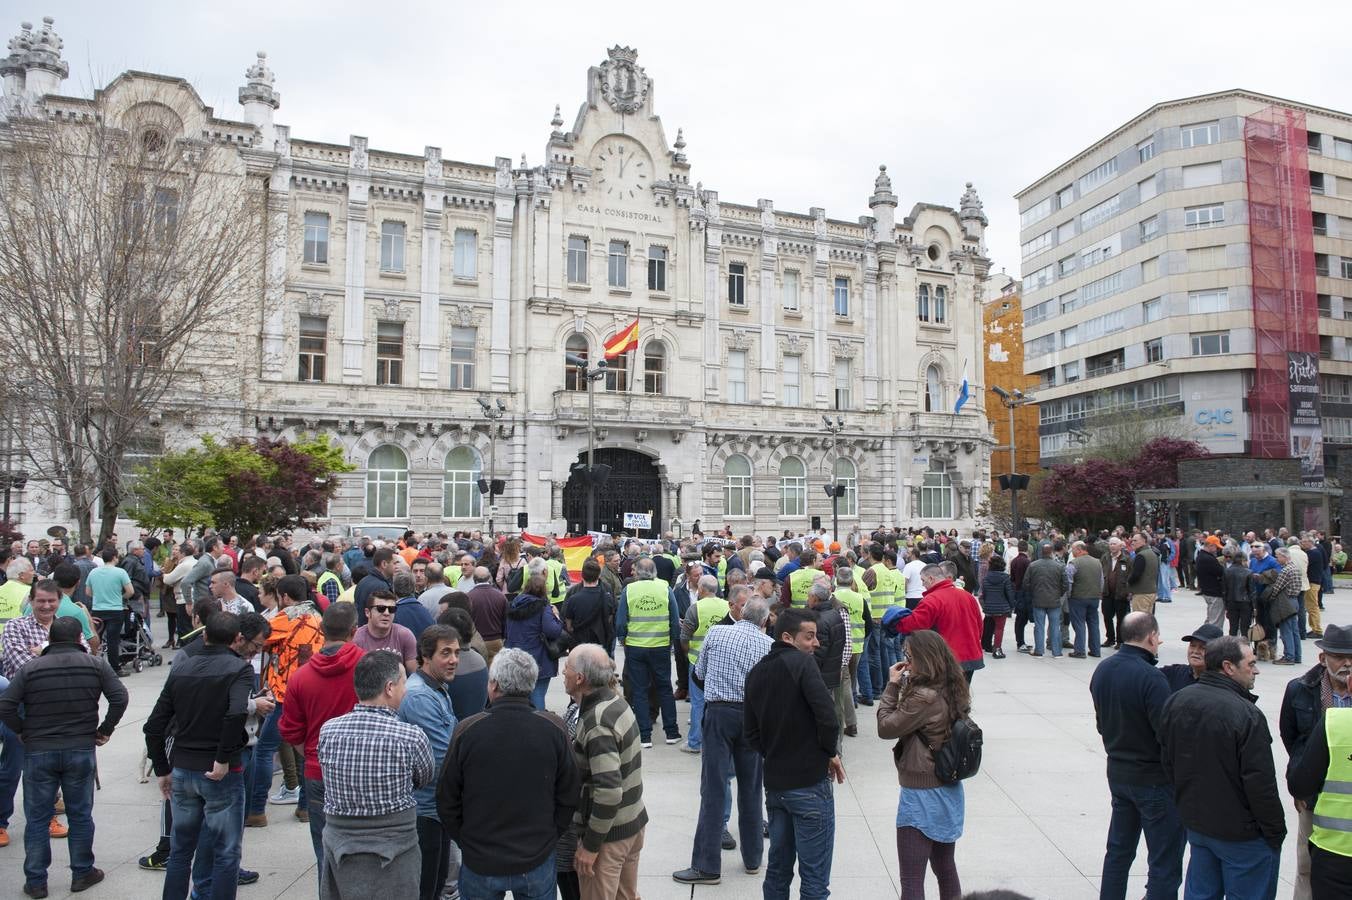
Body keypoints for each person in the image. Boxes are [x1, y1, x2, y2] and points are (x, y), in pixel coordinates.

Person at [0, 616, 126, 899]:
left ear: (51, 640)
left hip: (39, 750)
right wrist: (104, 730)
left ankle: (36, 881)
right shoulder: (95, 664)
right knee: (80, 815)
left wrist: (22, 732)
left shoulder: (31, 668)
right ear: (79, 640)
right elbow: (119, 697)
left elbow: (6, 705)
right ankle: (82, 873)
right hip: (80, 748)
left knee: (37, 817)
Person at [438, 647, 579, 899]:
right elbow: (569, 793)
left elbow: (447, 798)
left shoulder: (467, 730)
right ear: (531, 684)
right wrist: (549, 836)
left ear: (493, 685)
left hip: (481, 860)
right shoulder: (553, 729)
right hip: (536, 858)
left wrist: (467, 842)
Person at [1159, 636, 1285, 898]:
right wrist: (1274, 831)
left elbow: (1168, 764)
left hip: (1199, 827)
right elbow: (1260, 783)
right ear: (1228, 667)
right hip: (1243, 837)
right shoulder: (1246, 714)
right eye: (1250, 663)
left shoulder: (1177, 701)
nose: (1257, 669)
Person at [144, 611, 255, 900]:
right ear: (237, 639)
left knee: (181, 851)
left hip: (183, 768)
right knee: (226, 852)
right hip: (217, 773)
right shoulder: (238, 668)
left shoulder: (183, 667)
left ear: (204, 635)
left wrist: (163, 768)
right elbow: (236, 713)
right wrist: (223, 758)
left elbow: (154, 725)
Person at [672, 594, 773, 885]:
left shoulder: (717, 633)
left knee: (714, 788)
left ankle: (707, 866)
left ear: (741, 613)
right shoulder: (768, 646)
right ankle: (753, 858)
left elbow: (699, 674)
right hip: (752, 719)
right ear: (765, 621)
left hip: (719, 714)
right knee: (752, 788)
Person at [317, 650, 434, 900]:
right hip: (396, 850)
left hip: (342, 850)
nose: (406, 689)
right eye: (404, 682)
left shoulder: (328, 731)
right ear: (390, 687)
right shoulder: (411, 737)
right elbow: (423, 778)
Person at [744, 608, 844, 900]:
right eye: (809, 636)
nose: (816, 643)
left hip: (776, 787)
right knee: (814, 879)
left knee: (777, 870)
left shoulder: (757, 671)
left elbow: (751, 734)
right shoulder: (802, 664)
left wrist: (776, 753)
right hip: (809, 787)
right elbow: (828, 717)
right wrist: (828, 752)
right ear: (787, 637)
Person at [1088, 612, 1185, 900]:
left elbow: (1101, 724)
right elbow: (1165, 735)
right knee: (1163, 861)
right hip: (1153, 779)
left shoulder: (1103, 669)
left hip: (1118, 773)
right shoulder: (1151, 677)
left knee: (1118, 851)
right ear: (1151, 637)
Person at [876, 630, 969, 900]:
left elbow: (886, 727)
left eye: (910, 657)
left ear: (924, 660)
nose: (907, 662)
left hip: (921, 793)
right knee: (945, 866)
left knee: (912, 879)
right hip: (948, 787)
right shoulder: (953, 686)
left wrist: (893, 685)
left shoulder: (924, 697)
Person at [278, 602, 365, 867]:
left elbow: (291, 731)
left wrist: (313, 755)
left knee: (325, 854)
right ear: (354, 630)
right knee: (363, 854)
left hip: (318, 771)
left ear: (322, 630)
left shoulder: (300, 677)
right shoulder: (368, 667)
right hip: (361, 769)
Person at [565, 643, 648, 900]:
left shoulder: (597, 722)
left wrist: (590, 847)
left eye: (566, 667)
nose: (562, 673)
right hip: (631, 824)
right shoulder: (616, 701)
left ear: (580, 678)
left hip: (608, 839)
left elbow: (609, 792)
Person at [1279, 623, 1352, 900]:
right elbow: (1291, 737)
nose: (1347, 663)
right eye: (1338, 656)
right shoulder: (1299, 689)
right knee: (1307, 867)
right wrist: (1302, 783)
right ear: (1323, 658)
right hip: (1315, 796)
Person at [396, 624, 461, 900]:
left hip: (436, 808)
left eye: (456, 652)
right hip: (426, 811)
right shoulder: (420, 696)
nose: (454, 659)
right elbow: (441, 758)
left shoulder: (436, 689)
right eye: (445, 653)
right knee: (426, 889)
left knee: (436, 885)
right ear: (425, 656)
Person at [614, 558, 681, 747]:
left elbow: (620, 621)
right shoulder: (665, 588)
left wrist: (623, 637)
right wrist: (671, 640)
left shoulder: (630, 590)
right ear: (655, 572)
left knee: (640, 690)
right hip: (660, 646)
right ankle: (671, 732)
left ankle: (644, 736)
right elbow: (674, 619)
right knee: (664, 689)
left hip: (636, 646)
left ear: (637, 572)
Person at [896, 564, 984, 682]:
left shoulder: (932, 600)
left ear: (931, 579)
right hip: (970, 657)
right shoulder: (968, 596)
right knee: (962, 696)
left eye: (923, 580)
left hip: (946, 658)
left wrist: (895, 622)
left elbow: (914, 625)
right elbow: (979, 626)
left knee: (943, 698)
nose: (922, 584)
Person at [677, 573, 726, 754]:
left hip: (697, 660)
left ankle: (695, 742)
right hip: (721, 661)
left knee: (698, 703)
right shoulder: (727, 606)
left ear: (702, 589)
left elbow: (684, 637)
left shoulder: (695, 608)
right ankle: (717, 741)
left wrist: (687, 652)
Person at [503, 572, 564, 710]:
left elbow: (506, 630)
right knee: (537, 695)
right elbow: (552, 631)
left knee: (518, 698)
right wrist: (557, 618)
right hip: (538, 658)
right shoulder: (544, 608)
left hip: (514, 657)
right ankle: (538, 725)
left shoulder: (513, 605)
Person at [85, 548, 133, 676]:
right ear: (114, 557)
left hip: (97, 609)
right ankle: (115, 668)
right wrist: (121, 597)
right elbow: (130, 591)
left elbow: (88, 592)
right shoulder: (120, 572)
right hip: (115, 609)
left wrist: (100, 595)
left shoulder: (93, 572)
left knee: (95, 638)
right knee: (113, 640)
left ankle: (91, 665)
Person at [354, 589, 418, 672]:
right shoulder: (357, 639)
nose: (386, 613)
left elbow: (414, 673)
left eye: (392, 609)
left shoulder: (405, 635)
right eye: (381, 608)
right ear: (367, 612)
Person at [1022, 545, 1067, 658]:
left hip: (1038, 600)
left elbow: (1026, 583)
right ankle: (1057, 652)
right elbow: (1065, 584)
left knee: (1039, 626)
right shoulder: (1059, 566)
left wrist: (1033, 593)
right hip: (1054, 600)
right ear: (1051, 552)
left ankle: (1039, 650)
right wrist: (1059, 594)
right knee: (1055, 626)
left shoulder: (1033, 565)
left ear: (1041, 552)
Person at [1066, 541, 1104, 659]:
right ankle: (1095, 650)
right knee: (1093, 623)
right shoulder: (1097, 562)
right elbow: (1101, 581)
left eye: (1073, 550)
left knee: (1079, 624)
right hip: (1094, 598)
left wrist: (1069, 594)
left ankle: (1080, 650)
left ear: (1079, 550)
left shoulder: (1073, 563)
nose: (1072, 552)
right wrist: (1098, 593)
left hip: (1078, 598)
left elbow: (1069, 581)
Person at [1161, 624, 1223, 693]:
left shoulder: (1220, 684)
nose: (1196, 651)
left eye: (1203, 648)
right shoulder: (1173, 673)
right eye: (1192, 646)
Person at [466, 566, 508, 667]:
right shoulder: (500, 596)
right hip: (496, 640)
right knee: (495, 672)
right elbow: (506, 621)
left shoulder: (468, 597)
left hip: (475, 642)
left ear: (474, 579)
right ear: (489, 577)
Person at [978, 554, 1014, 659]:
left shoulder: (986, 578)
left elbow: (984, 594)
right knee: (999, 629)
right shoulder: (1005, 578)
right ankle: (997, 649)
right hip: (1002, 607)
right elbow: (1009, 593)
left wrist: (985, 605)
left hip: (989, 607)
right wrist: (1011, 605)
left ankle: (984, 644)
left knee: (987, 626)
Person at [1100, 537, 1132, 648]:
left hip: (1121, 593)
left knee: (1121, 618)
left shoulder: (1127, 559)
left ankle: (1120, 640)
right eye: (1110, 544)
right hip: (1107, 593)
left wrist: (1128, 591)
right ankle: (1110, 638)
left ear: (1120, 546)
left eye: (1114, 544)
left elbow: (1130, 576)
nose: (1112, 546)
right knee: (1107, 616)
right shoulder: (1105, 557)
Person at [1126, 533, 1160, 614]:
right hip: (1151, 592)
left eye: (1135, 540)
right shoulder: (1153, 553)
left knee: (1139, 621)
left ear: (1144, 541)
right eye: (1132, 540)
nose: (1132, 542)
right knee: (1148, 620)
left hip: (1141, 593)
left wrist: (1128, 582)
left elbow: (1136, 574)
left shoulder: (1141, 555)